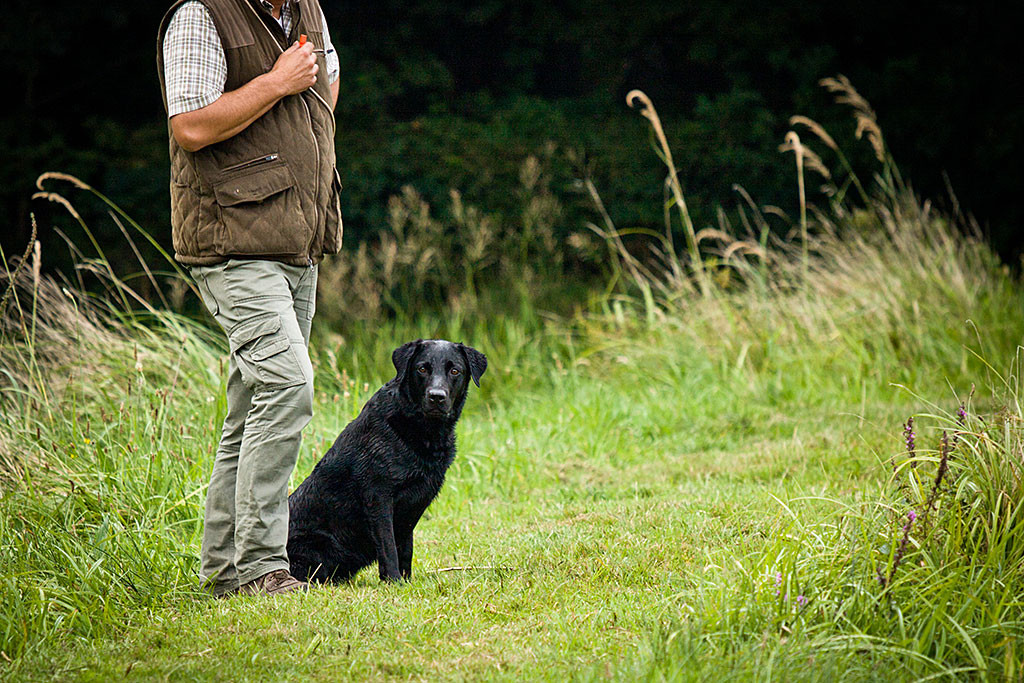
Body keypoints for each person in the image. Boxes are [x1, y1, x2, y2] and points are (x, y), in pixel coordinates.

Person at [156, 0, 342, 596]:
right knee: (288, 386)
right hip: (231, 244)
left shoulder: (306, 8)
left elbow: (325, 87)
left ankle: (223, 572)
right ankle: (264, 567)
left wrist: (290, 103)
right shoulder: (200, 15)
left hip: (296, 239)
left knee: (250, 409)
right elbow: (189, 125)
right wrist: (273, 84)